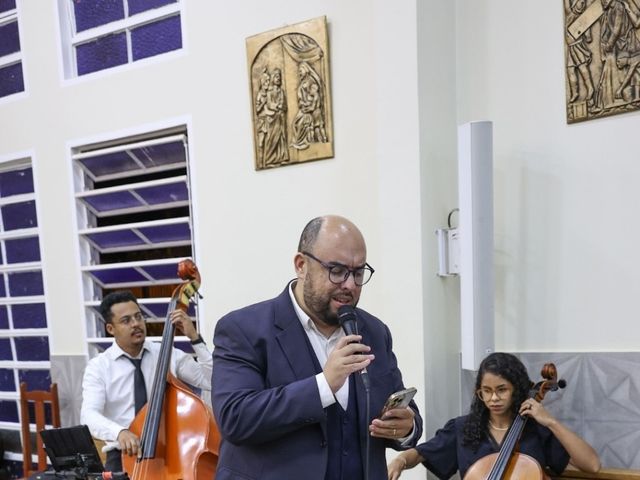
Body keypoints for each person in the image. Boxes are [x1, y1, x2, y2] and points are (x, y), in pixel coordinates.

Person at [212, 215, 423, 480]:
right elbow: (236, 418)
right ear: (301, 265)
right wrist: (324, 385)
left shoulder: (374, 331)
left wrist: (407, 428)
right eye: (336, 270)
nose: (349, 284)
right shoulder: (243, 329)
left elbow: (402, 407)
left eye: (358, 273)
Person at [387, 352, 600, 480]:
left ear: (517, 389)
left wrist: (551, 421)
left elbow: (592, 465)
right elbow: (422, 452)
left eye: (502, 389)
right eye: (486, 391)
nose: (493, 398)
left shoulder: (536, 429)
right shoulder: (463, 428)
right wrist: (401, 460)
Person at [80, 291, 212, 473]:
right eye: (126, 321)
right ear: (111, 329)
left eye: (138, 317)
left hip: (170, 455)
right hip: (121, 456)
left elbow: (211, 381)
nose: (136, 324)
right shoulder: (98, 367)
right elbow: (88, 415)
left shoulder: (167, 353)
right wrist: (120, 432)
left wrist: (195, 338)